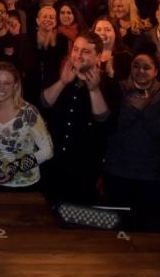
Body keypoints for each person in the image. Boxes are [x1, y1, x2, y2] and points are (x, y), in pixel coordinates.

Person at [40, 32, 118, 203]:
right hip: (53, 165)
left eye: (85, 51)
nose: (78, 55)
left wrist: (94, 90)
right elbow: (44, 104)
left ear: (98, 55)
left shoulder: (109, 85)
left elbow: (104, 120)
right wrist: (62, 82)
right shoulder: (61, 76)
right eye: (75, 49)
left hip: (84, 169)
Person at [103, 53, 160, 210]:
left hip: (151, 171)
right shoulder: (119, 89)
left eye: (146, 67)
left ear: (156, 71)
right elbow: (112, 125)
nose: (140, 71)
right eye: (136, 66)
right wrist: (135, 109)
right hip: (118, 168)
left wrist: (144, 109)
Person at [0, 61, 53, 190]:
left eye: (7, 83)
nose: (1, 88)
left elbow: (48, 151)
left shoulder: (29, 113)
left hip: (25, 186)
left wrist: (15, 167)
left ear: (15, 86)